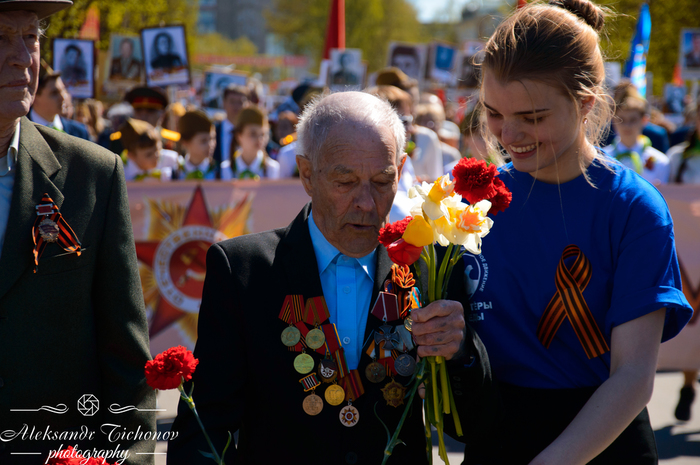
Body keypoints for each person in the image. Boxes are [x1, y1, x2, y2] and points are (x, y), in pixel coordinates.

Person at [167, 91, 495, 464]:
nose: (367, 203)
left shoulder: (430, 267)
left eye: (382, 180)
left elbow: (473, 425)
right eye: (345, 182)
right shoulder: (244, 271)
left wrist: (461, 351)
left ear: (401, 169)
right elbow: (204, 427)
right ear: (307, 174)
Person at [462, 1, 693, 464]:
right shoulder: (472, 200)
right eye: (493, 113)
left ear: (585, 103)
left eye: (532, 118)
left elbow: (632, 377)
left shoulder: (633, 208)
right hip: (496, 435)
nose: (508, 135)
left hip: (601, 439)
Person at [0, 1, 155, 464]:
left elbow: (127, 361)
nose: (22, 57)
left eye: (31, 37)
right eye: (1, 37)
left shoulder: (91, 174)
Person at [603, 83, 670, 185]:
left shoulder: (660, 161)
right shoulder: (603, 159)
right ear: (613, 120)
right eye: (621, 120)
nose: (627, 126)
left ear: (644, 120)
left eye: (633, 120)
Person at [28, 65, 90, 140]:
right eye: (54, 93)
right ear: (34, 98)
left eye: (63, 90)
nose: (63, 98)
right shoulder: (20, 130)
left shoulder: (79, 133)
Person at [177, 110, 232, 180]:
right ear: (185, 142)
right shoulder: (175, 174)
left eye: (212, 139)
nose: (210, 145)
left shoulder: (221, 173)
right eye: (203, 141)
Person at [230, 106, 280, 179]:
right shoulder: (226, 169)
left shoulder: (272, 168)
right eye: (253, 134)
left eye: (263, 134)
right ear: (239, 136)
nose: (259, 139)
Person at [212, 84, 248, 168]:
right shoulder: (214, 130)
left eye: (240, 102)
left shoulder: (251, 132)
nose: (236, 106)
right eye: (232, 101)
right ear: (224, 103)